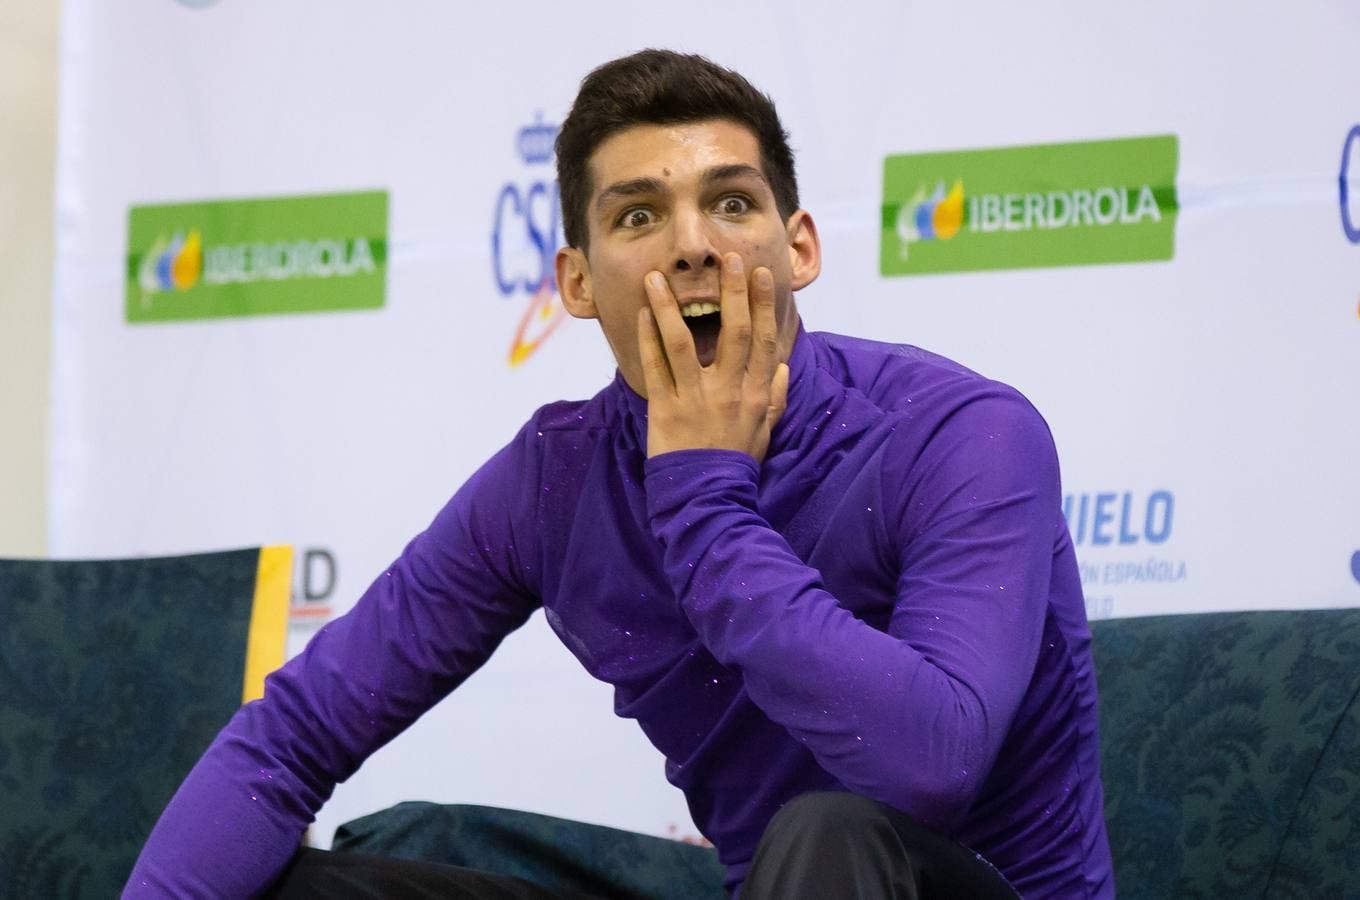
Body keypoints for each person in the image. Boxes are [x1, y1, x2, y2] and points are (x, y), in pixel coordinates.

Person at [126, 49, 1114, 899]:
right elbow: (289, 739)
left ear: (799, 247)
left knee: (828, 831)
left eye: (731, 202)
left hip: (952, 884)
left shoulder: (962, 434)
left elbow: (930, 765)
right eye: (638, 217)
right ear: (576, 285)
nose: (692, 244)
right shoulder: (551, 483)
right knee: (294, 889)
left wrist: (700, 490)